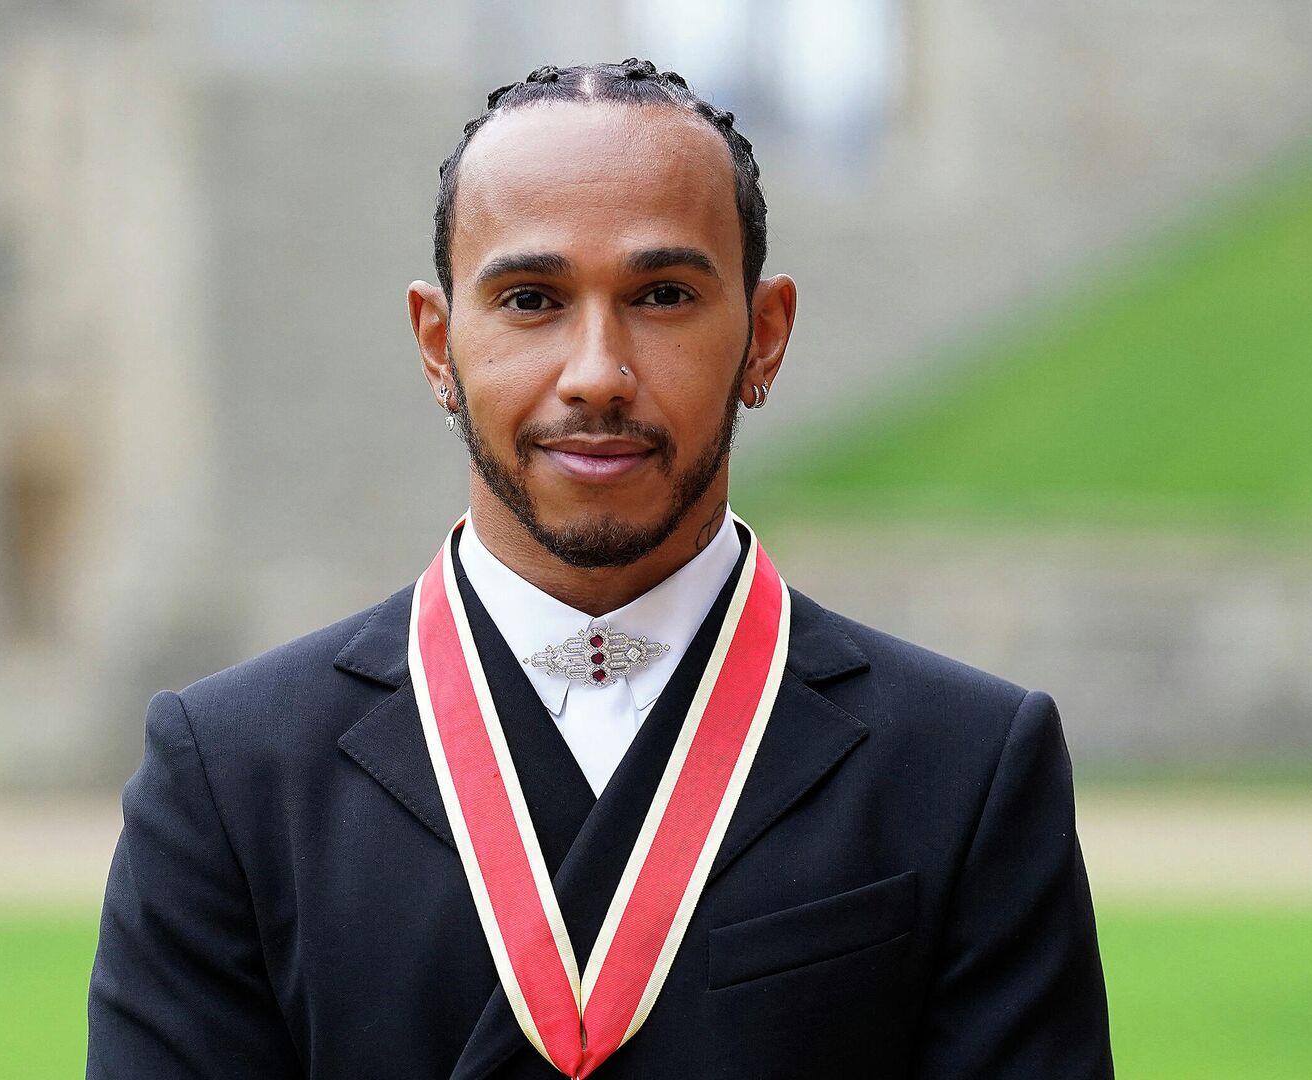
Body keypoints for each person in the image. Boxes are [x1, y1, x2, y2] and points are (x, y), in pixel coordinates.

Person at [87, 58, 1112, 1079]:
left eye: (662, 295)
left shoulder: (966, 767)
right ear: (437, 345)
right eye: (531, 299)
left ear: (765, 336)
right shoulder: (230, 778)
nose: (596, 374)